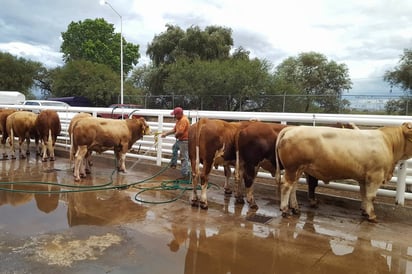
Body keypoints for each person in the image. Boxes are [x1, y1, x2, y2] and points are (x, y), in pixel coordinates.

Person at [161, 107, 190, 179]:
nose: (174, 116)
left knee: (184, 157)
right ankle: (173, 164)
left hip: (184, 141)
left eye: (175, 115)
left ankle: (185, 174)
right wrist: (166, 134)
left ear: (179, 114)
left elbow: (180, 131)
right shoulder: (178, 120)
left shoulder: (184, 120)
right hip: (180, 140)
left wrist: (176, 135)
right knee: (174, 148)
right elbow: (174, 129)